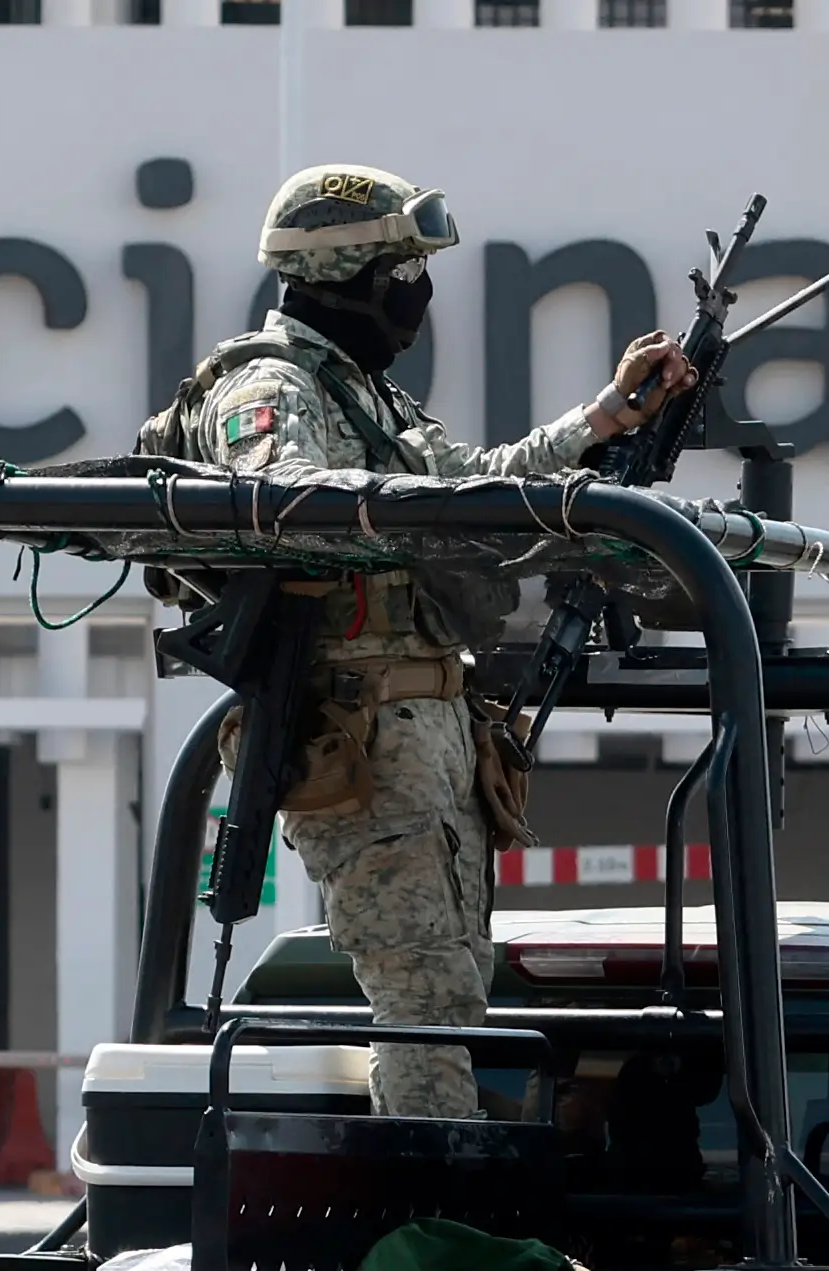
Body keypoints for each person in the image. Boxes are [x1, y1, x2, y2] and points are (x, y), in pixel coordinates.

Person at [136, 164, 696, 1120]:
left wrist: (603, 421)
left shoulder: (365, 396)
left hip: (426, 723)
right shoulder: (270, 386)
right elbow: (288, 500)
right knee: (425, 998)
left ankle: (439, 1203)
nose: (418, 295)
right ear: (352, 275)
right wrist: (428, 516)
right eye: (404, 271)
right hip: (358, 726)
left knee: (456, 983)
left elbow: (477, 480)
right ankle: (429, 1224)